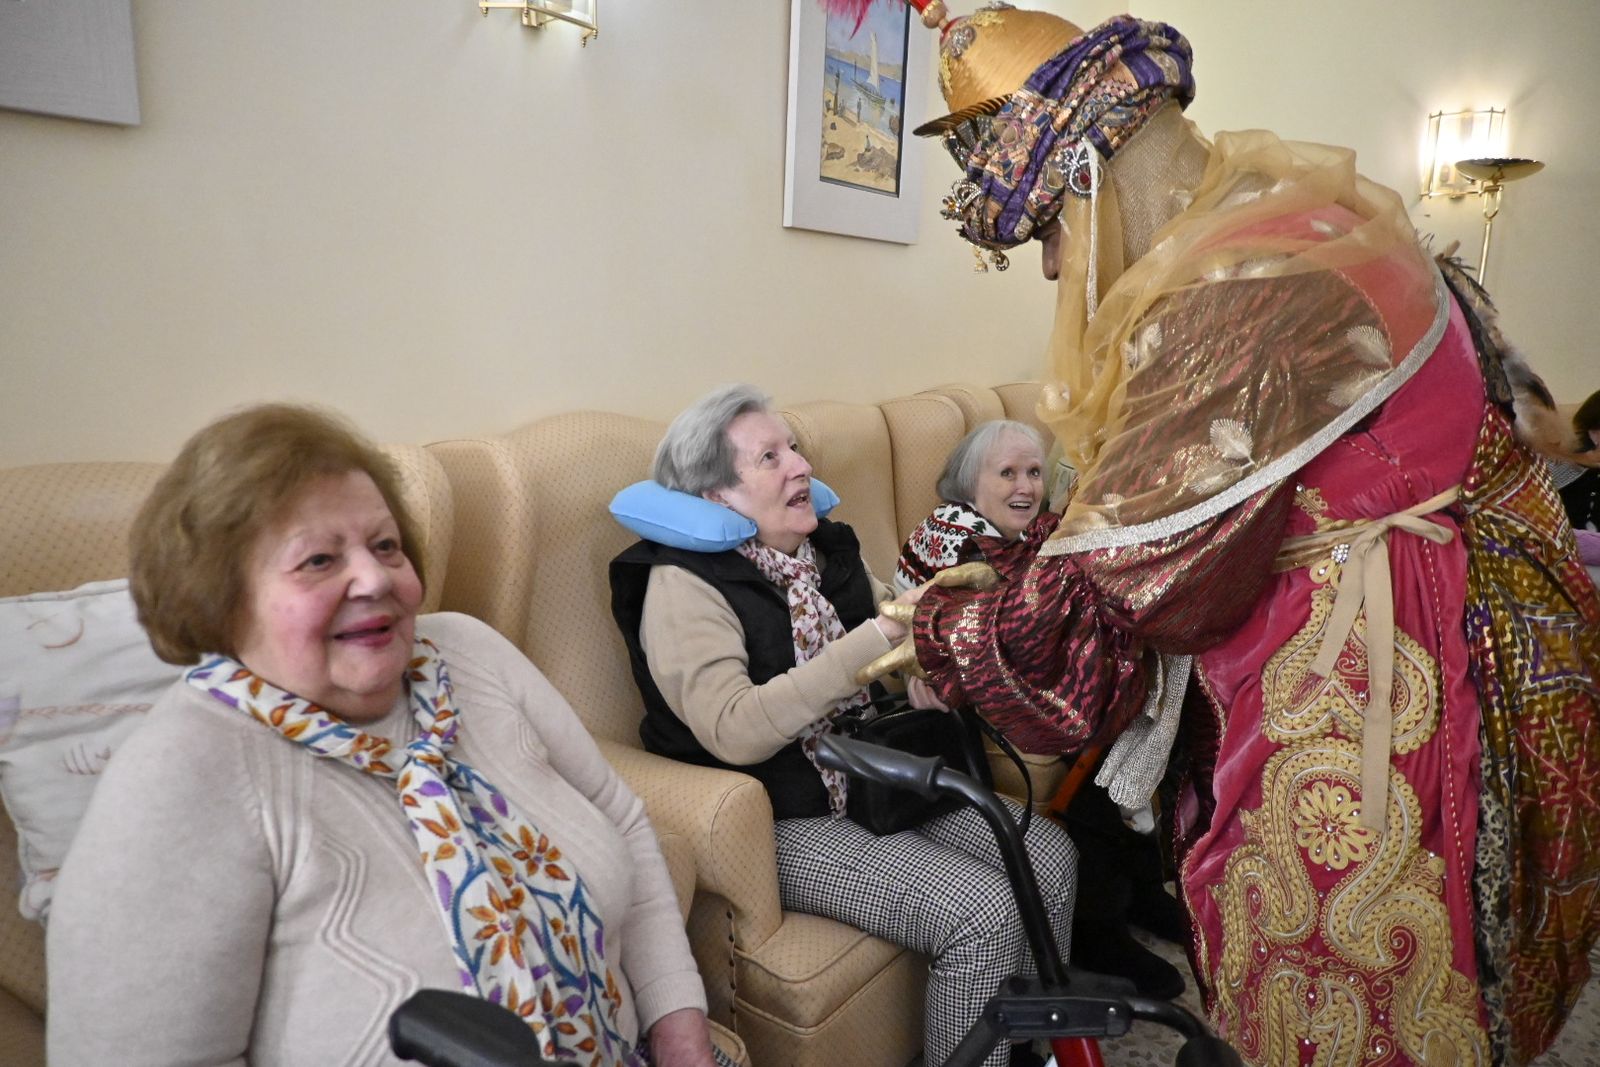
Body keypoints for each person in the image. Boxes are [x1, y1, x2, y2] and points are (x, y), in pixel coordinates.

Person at [847, 4, 1600, 1066]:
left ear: (1088, 178)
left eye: (1048, 230)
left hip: (1376, 687)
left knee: (1349, 1000)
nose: (1055, 269)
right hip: (1473, 626)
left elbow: (1100, 620)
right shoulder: (1310, 228)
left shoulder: (1231, 296)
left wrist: (945, 624)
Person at [46, 404, 719, 1067]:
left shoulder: (470, 652)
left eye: (385, 545)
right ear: (219, 599)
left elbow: (624, 820)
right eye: (318, 559)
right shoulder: (179, 772)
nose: (372, 578)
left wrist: (677, 1024)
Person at [609, 384, 1080, 1067]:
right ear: (716, 496)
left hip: (868, 774)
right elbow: (734, 728)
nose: (800, 465)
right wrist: (876, 641)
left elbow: (890, 639)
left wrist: (916, 670)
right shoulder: (683, 584)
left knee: (1052, 859)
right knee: (980, 911)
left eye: (794, 448)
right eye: (769, 458)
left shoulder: (826, 551)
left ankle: (1024, 1052)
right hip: (780, 813)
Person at [895, 418, 1188, 999]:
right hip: (977, 698)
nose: (1025, 486)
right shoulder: (956, 542)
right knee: (1091, 725)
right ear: (968, 483)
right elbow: (941, 637)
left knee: (1157, 690)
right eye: (1006, 473)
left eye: (1033, 471)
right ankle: (1098, 927)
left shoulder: (1026, 534)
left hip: (1022, 674)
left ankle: (1142, 887)